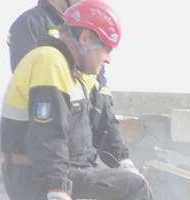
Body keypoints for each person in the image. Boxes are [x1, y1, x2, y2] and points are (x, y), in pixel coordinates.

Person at [0, 0, 152, 200]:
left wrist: (123, 160)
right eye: (107, 48)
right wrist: (58, 190)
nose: (109, 58)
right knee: (135, 189)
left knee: (131, 179)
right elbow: (47, 133)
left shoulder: (79, 73)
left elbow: (104, 121)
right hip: (34, 179)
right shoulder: (49, 61)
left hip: (61, 171)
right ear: (84, 40)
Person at [8, 0, 130, 171]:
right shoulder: (29, 24)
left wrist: (121, 157)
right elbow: (39, 96)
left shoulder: (88, 23)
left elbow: (100, 98)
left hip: (82, 152)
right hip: (49, 157)